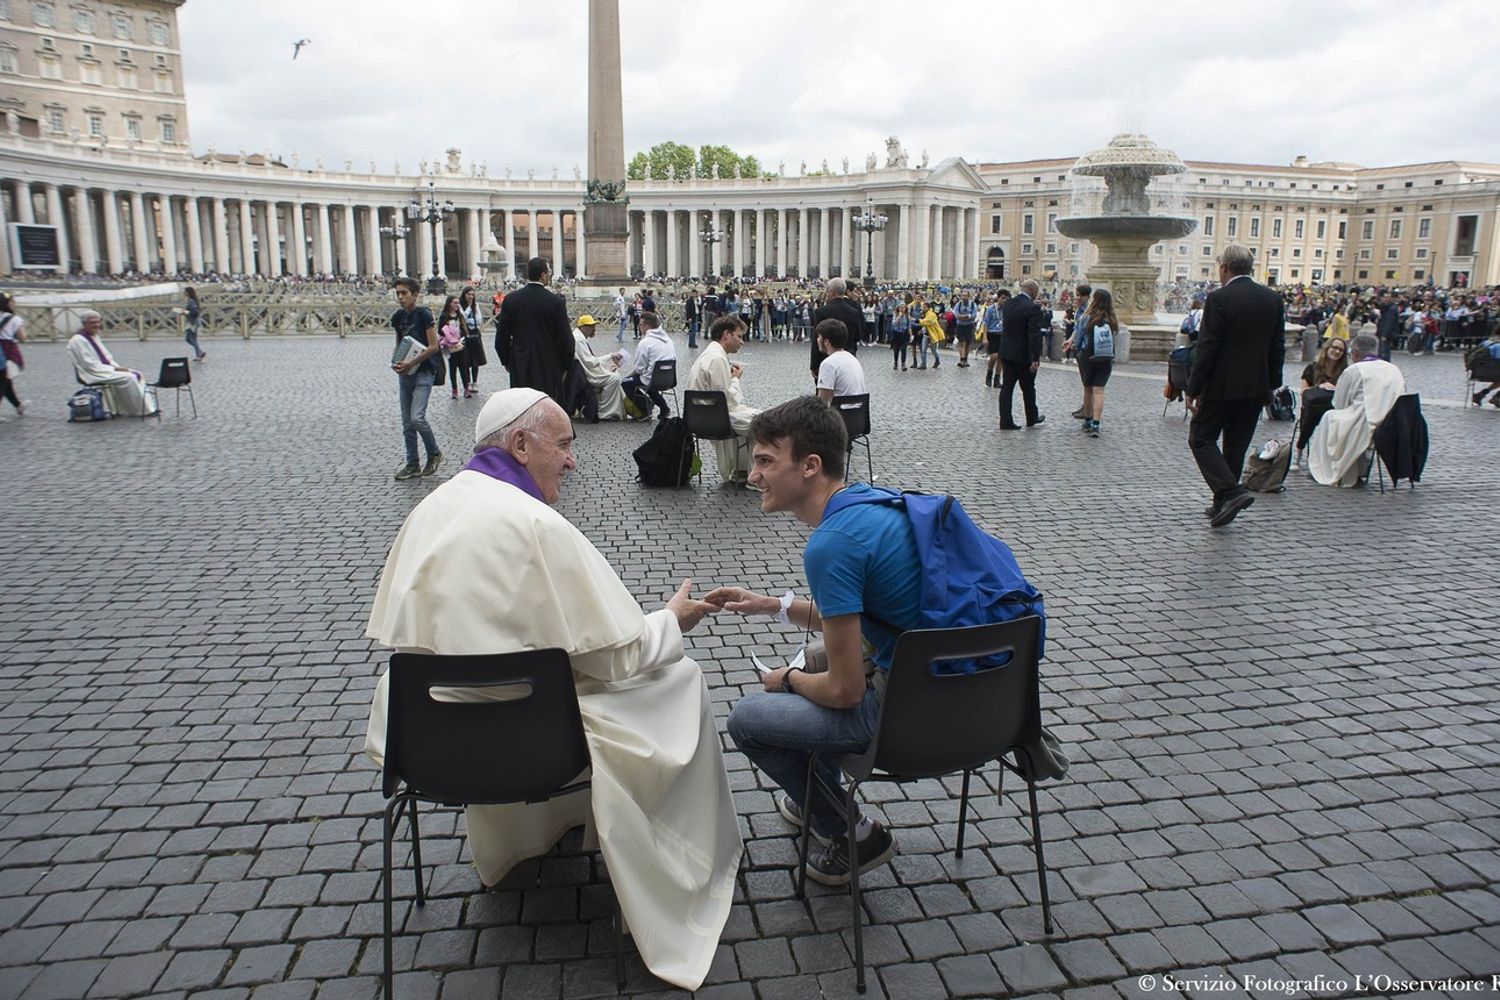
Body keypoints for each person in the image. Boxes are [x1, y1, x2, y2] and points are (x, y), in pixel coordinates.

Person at [363, 388, 741, 991]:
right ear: (519, 444)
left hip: (430, 742)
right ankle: (681, 863)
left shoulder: (430, 510)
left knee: (541, 692)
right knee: (681, 679)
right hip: (539, 744)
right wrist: (672, 619)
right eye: (564, 445)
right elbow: (620, 656)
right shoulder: (535, 522)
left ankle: (534, 831)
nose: (572, 461)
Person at [707, 396, 911, 885]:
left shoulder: (831, 544)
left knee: (748, 719)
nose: (753, 475)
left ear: (810, 466)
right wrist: (772, 605)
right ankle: (819, 799)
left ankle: (851, 831)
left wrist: (790, 679)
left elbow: (845, 692)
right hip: (984, 703)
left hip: (910, 723)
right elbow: (862, 618)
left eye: (764, 461)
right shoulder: (881, 506)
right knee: (818, 658)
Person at [1185, 245, 1285, 526]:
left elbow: (1208, 347)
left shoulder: (1219, 299)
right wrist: (1271, 386)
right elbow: (1278, 347)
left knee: (1201, 437)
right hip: (1256, 388)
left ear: (1225, 268)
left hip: (1221, 386)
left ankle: (1229, 492)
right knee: (1235, 446)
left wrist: (1193, 388)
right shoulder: (1272, 299)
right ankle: (1222, 504)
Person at [1307, 332, 1408, 487]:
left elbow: (1339, 403)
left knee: (1329, 416)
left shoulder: (1355, 370)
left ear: (1354, 354)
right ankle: (1359, 469)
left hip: (1363, 421)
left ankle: (1326, 467)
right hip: (1392, 423)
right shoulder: (1394, 369)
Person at [687, 315, 758, 485]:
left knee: (755, 415)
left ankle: (741, 470)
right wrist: (735, 379)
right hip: (714, 419)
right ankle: (755, 477)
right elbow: (726, 400)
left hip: (699, 416)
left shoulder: (708, 355)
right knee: (762, 421)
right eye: (739, 336)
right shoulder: (717, 359)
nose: (742, 342)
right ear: (726, 334)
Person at [495, 256, 574, 404]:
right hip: (549, 364)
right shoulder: (555, 301)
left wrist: (507, 361)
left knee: (522, 407)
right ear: (543, 275)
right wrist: (565, 366)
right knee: (547, 407)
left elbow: (501, 338)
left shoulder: (511, 300)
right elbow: (566, 339)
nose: (550, 275)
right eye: (549, 272)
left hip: (520, 363)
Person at [389, 278, 443, 480]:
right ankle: (412, 463)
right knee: (407, 423)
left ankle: (434, 452)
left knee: (417, 418)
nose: (401, 297)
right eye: (398, 294)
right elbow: (400, 343)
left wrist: (411, 363)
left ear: (415, 294)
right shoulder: (397, 317)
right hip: (406, 373)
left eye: (404, 293)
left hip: (424, 372)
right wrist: (396, 361)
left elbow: (433, 346)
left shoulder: (423, 314)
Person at [67, 310, 158, 417]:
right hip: (93, 372)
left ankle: (145, 408)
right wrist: (114, 370)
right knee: (129, 378)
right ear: (84, 324)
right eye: (93, 323)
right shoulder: (78, 340)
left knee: (137, 373)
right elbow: (89, 364)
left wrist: (116, 367)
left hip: (104, 368)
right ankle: (137, 410)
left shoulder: (94, 336)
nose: (96, 325)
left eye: (98, 322)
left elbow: (107, 357)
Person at [998, 279, 1048, 429]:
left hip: (1007, 352)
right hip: (1024, 355)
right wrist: (1035, 358)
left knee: (1007, 387)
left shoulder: (1008, 304)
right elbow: (1034, 335)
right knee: (1028, 387)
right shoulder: (1032, 308)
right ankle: (1031, 417)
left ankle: (1005, 420)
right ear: (1032, 291)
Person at [1293, 337, 1348, 470]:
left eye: (1341, 350)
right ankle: (1299, 451)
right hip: (1314, 407)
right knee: (1310, 416)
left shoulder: (1345, 371)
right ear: (1327, 348)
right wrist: (1321, 387)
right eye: (1334, 347)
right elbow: (1304, 391)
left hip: (1333, 409)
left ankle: (1330, 458)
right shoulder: (1312, 368)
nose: (1337, 351)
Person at [1072, 288, 1117, 438]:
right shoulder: (1112, 318)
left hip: (1088, 356)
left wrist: (1076, 350)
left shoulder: (1087, 316)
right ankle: (1096, 425)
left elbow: (1079, 337)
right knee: (1099, 390)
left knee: (1088, 389)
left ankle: (1087, 421)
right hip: (1105, 357)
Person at [570, 314, 626, 421]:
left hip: (586, 370)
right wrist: (610, 356)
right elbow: (590, 362)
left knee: (615, 375)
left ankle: (607, 408)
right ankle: (605, 412)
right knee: (614, 378)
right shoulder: (579, 340)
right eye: (591, 327)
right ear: (584, 327)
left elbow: (590, 360)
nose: (594, 329)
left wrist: (606, 367)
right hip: (586, 374)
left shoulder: (580, 337)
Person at [621, 311, 675, 421]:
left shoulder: (645, 342)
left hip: (653, 379)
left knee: (626, 383)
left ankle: (645, 409)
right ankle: (664, 408)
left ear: (647, 326)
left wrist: (627, 377)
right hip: (669, 378)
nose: (639, 327)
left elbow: (639, 369)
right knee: (650, 379)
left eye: (640, 324)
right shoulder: (669, 340)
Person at [810, 278, 863, 383]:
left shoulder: (821, 312)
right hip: (848, 357)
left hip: (825, 358)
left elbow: (816, 340)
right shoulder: (854, 312)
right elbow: (858, 336)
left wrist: (814, 365)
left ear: (830, 292)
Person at [813, 319, 866, 404]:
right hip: (858, 414)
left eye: (819, 337)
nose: (817, 340)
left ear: (826, 341)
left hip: (840, 414)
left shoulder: (829, 364)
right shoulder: (853, 359)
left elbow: (822, 401)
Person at [1065, 283, 1092, 418]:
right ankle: (1086, 406)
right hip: (1079, 347)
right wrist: (1071, 340)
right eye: (1077, 295)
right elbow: (1077, 328)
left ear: (1087, 296)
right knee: (1085, 380)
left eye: (1080, 295)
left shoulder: (1090, 310)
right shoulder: (1080, 310)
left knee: (1088, 381)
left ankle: (1088, 409)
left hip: (1086, 348)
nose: (1078, 298)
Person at [437, 295, 471, 400]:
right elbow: (440, 330)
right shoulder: (444, 316)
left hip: (460, 344)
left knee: (464, 368)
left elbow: (464, 328)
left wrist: (464, 338)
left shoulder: (459, 315)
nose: (456, 305)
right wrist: (449, 332)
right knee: (453, 368)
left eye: (458, 303)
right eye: (454, 302)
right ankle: (454, 389)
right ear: (449, 303)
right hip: (450, 345)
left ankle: (466, 388)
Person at [0, 293, 26, 416]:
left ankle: (18, 405)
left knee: (6, 381)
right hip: (8, 350)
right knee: (4, 381)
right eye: (12, 302)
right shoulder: (14, 319)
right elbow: (23, 338)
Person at [458, 285, 488, 389]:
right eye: (468, 294)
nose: (471, 296)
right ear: (464, 295)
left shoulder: (476, 305)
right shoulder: (460, 306)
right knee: (465, 358)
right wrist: (469, 308)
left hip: (474, 333)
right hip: (464, 334)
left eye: (472, 294)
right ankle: (468, 382)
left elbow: (478, 320)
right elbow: (462, 318)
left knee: (476, 358)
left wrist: (470, 318)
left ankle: (474, 382)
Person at [982, 290, 1008, 387]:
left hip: (1003, 334)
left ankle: (997, 378)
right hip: (992, 334)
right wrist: (985, 337)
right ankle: (989, 373)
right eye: (1003, 298)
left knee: (1001, 358)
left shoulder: (1007, 310)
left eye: (1006, 298)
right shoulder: (991, 309)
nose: (1004, 300)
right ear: (998, 298)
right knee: (994, 356)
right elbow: (986, 323)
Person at [1470, 328, 1500, 407]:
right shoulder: (1498, 345)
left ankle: (1481, 394)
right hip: (1493, 370)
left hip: (1479, 371)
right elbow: (1498, 361)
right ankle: (1497, 397)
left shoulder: (1487, 342)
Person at [183, 286, 205, 361]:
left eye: (185, 291)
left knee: (191, 339)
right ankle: (199, 353)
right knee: (191, 339)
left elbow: (195, 312)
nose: (183, 293)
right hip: (193, 321)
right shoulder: (191, 300)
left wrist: (185, 312)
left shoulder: (191, 301)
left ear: (188, 293)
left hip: (192, 322)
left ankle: (199, 353)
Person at [888, 304, 910, 371]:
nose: (902, 309)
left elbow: (909, 324)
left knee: (903, 349)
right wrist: (899, 316)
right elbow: (894, 323)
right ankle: (895, 362)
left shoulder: (907, 315)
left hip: (905, 334)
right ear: (898, 308)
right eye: (901, 308)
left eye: (904, 308)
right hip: (897, 334)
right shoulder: (896, 314)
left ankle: (903, 364)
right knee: (896, 350)